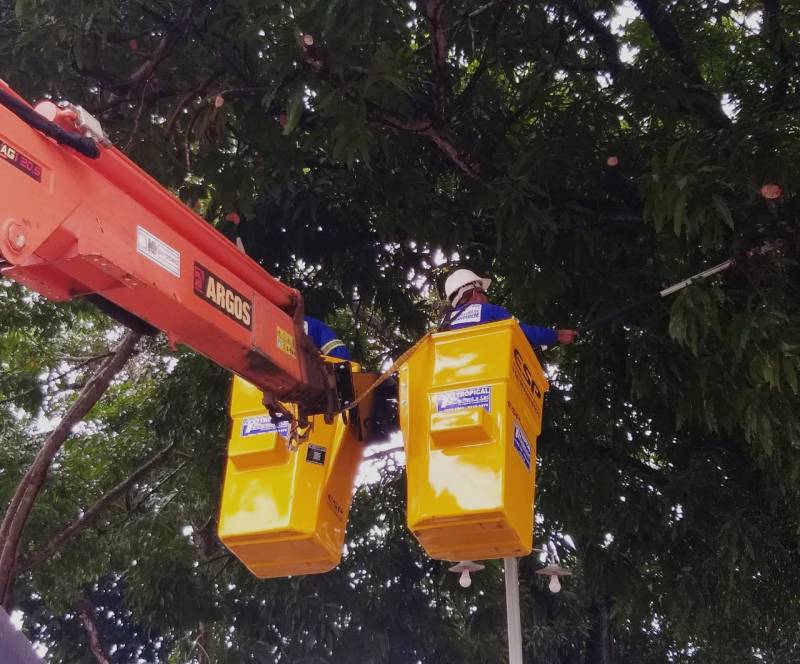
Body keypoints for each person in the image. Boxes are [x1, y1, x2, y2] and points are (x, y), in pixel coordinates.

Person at [443, 269, 578, 347]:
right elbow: (524, 334)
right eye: (484, 292)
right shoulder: (489, 311)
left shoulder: (443, 324)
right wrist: (557, 335)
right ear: (475, 294)